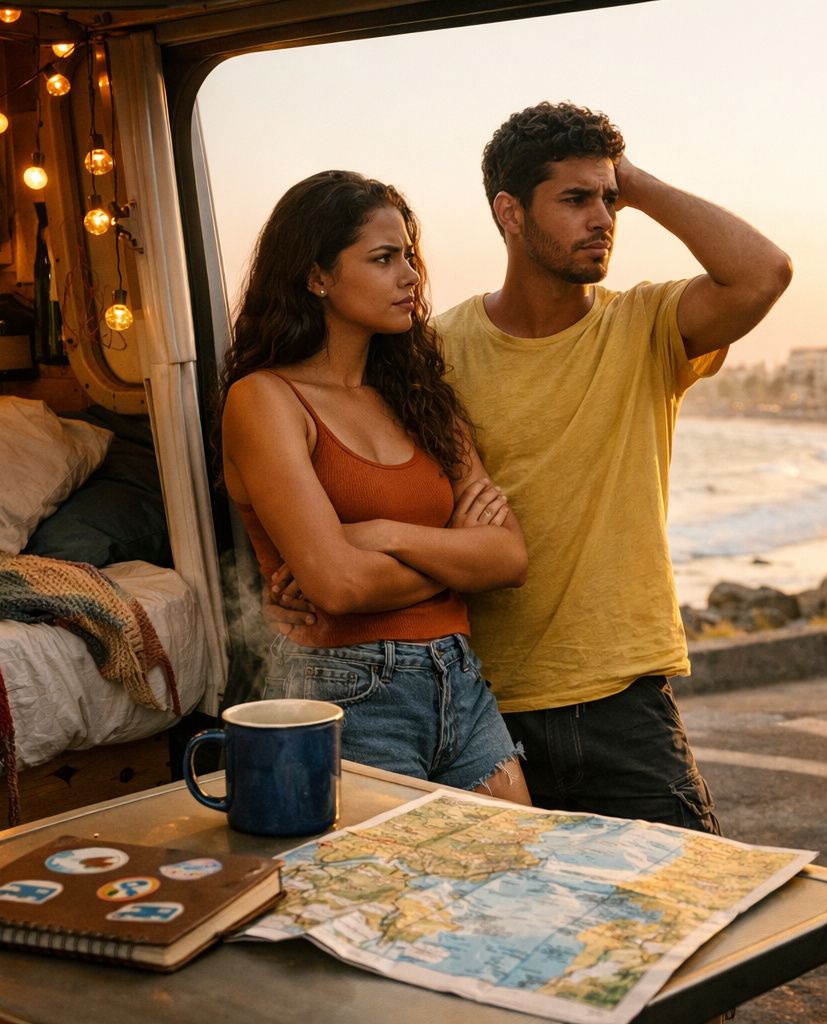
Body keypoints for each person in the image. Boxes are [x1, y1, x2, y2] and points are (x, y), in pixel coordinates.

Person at [266, 103, 790, 832]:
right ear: (509, 213)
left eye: (609, 200)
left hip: (621, 697)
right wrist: (296, 580)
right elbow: (350, 479)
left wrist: (624, 173)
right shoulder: (432, 354)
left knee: (679, 920)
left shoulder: (646, 327)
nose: (603, 217)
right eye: (576, 200)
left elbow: (763, 273)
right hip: (475, 696)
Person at [221, 169, 529, 803]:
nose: (411, 276)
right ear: (317, 276)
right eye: (384, 259)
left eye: (409, 257)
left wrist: (383, 534)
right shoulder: (265, 401)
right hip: (343, 688)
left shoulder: (419, 397)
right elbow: (339, 585)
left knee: (511, 880)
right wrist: (455, 554)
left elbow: (509, 558)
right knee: (391, 897)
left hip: (461, 680)